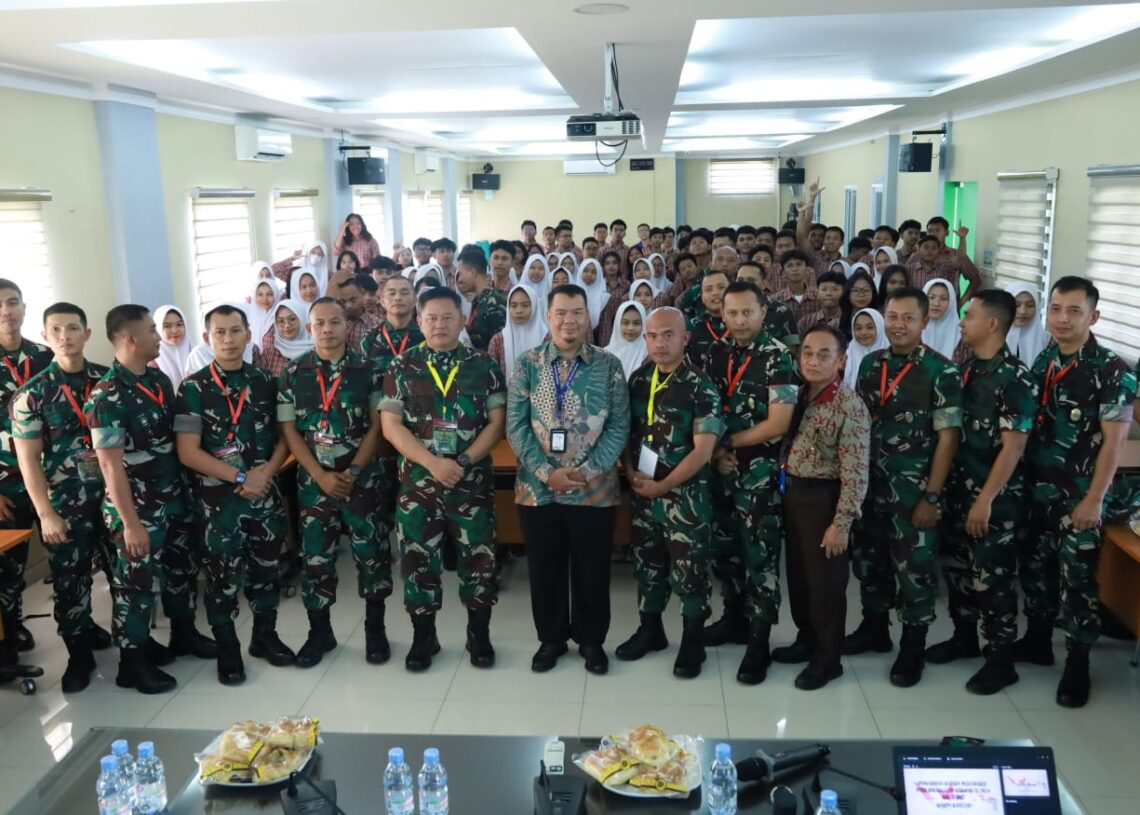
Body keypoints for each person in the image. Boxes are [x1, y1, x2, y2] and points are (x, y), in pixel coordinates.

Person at [1017, 277, 1136, 707]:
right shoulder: (1046, 358)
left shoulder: (1110, 369)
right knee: (1037, 568)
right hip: (1039, 488)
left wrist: (1095, 499)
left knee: (1078, 579)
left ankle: (1078, 663)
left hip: (1079, 494)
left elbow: (1116, 442)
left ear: (1094, 316)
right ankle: (1036, 641)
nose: (1062, 318)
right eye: (1056, 309)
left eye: (1074, 311)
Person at [85, 304, 214, 695]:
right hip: (138, 509)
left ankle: (184, 634)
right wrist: (130, 523)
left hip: (173, 499)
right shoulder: (106, 397)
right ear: (129, 339)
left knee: (181, 573)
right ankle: (132, 662)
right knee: (136, 586)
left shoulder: (156, 380)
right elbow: (110, 468)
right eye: (152, 331)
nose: (159, 337)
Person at [506, 284, 630, 675]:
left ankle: (592, 641)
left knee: (593, 567)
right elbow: (516, 426)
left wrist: (584, 473)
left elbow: (619, 425)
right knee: (545, 567)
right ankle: (552, 639)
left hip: (594, 490)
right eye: (561, 313)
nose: (568, 320)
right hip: (537, 489)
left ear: (588, 317)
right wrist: (548, 473)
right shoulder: (527, 364)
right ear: (549, 316)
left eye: (576, 312)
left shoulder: (608, 366)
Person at [381, 287, 506, 671]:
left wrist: (464, 460)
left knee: (479, 561)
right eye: (431, 318)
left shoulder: (483, 364)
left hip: (471, 484)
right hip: (420, 486)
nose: (439, 324)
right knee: (418, 562)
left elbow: (497, 423)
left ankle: (478, 635)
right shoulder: (401, 367)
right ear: (420, 322)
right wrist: (433, 463)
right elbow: (391, 426)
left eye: (447, 317)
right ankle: (424, 637)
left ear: (463, 319)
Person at [845, 287, 962, 688]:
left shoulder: (940, 371)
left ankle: (913, 646)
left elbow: (948, 439)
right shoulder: (870, 364)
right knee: (869, 564)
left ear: (924, 322)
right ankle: (874, 628)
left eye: (908, 318)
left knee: (914, 570)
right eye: (892, 316)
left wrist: (931, 495)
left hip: (913, 492)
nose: (898, 325)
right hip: (869, 486)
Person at [175, 304, 296, 685]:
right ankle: (227, 646)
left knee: (267, 571)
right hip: (218, 504)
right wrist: (241, 475)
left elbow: (284, 438)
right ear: (208, 338)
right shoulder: (191, 388)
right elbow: (188, 452)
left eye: (235, 331)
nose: (228, 339)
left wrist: (266, 474)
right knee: (222, 578)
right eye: (219, 333)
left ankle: (265, 637)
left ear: (248, 334)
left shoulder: (265, 380)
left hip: (264, 495)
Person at [277, 297, 393, 669]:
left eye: (334, 322)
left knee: (372, 556)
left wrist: (355, 471)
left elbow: (379, 426)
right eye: (319, 324)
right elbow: (290, 431)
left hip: (363, 481)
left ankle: (375, 630)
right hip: (315, 484)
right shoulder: (293, 373)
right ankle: (319, 632)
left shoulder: (370, 370)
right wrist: (320, 475)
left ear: (347, 325)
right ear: (310, 329)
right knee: (316, 559)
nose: (326, 329)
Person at [931, 290, 1036, 695]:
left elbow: (1014, 448)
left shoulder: (1014, 378)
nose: (962, 321)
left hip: (993, 501)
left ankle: (1000, 659)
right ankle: (964, 637)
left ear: (992, 323)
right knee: (959, 570)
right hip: (960, 491)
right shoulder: (968, 370)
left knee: (992, 580)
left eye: (969, 315)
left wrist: (986, 499)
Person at [10, 302, 113, 692]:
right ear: (46, 336)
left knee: (126, 575)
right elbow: (28, 461)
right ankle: (79, 656)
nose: (65, 336)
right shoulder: (32, 395)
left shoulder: (107, 381)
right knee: (72, 583)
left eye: (73, 328)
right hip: (66, 508)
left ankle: (135, 644)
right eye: (56, 330)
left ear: (87, 334)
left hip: (112, 501)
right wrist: (46, 514)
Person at [617, 307, 722, 677]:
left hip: (685, 499)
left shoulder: (700, 386)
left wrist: (664, 484)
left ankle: (693, 639)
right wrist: (631, 475)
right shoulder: (640, 379)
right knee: (648, 564)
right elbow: (627, 435)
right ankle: (651, 630)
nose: (659, 343)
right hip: (644, 492)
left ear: (684, 339)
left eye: (667, 335)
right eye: (652, 336)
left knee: (689, 570)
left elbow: (704, 450)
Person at [705, 282, 798, 685]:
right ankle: (733, 618)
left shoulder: (779, 358)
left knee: (759, 558)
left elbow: (778, 423)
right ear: (722, 314)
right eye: (732, 313)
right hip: (719, 470)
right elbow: (704, 408)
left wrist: (727, 443)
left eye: (748, 312)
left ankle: (759, 639)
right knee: (725, 551)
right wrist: (714, 452)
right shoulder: (714, 353)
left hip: (758, 475)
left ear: (763, 312)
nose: (739, 321)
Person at [774, 324, 870, 690]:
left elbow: (856, 472)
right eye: (808, 353)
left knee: (825, 584)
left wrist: (841, 523)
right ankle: (806, 639)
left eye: (823, 354)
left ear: (842, 360)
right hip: (793, 495)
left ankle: (828, 659)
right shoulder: (796, 395)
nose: (812, 361)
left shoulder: (849, 405)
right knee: (799, 578)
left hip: (824, 500)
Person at [0, 280, 53, 658]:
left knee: (70, 557)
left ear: (24, 307)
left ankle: (81, 623)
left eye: (13, 302)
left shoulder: (45, 357)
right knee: (8, 567)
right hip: (7, 483)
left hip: (53, 477)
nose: (7, 311)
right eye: (0, 305)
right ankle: (9, 628)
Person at [361, 276, 424, 368]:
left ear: (415, 300)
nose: (398, 298)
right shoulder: (370, 337)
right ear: (382, 301)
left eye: (404, 293)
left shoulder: (424, 335)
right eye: (392, 293)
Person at [456, 245, 507, 353]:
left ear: (472, 272)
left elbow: (500, 346)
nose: (459, 279)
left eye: (461, 273)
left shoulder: (495, 303)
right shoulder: (478, 301)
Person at [254, 300, 313, 377]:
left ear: (303, 319)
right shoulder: (269, 354)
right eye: (281, 321)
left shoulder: (316, 351)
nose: (287, 326)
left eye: (292, 319)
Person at [684, 269, 730, 369]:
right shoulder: (690, 327)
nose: (715, 293)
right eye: (708, 289)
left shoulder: (744, 324)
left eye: (721, 287)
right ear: (703, 298)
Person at [1004, 283, 1049, 367]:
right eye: (1017, 305)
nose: (1023, 311)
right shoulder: (992, 339)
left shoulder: (1048, 341)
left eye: (1030, 305)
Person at [771, 249, 818, 328]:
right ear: (783, 272)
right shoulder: (775, 300)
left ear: (807, 268)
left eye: (799, 264)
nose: (795, 269)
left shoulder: (818, 297)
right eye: (789, 265)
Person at [843, 308, 888, 389]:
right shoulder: (848, 354)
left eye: (870, 327)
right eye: (858, 328)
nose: (863, 332)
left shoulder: (890, 353)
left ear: (880, 327)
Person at [335, 276, 380, 353]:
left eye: (353, 299)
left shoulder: (376, 325)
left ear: (362, 296)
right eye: (342, 301)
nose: (348, 305)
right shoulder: (334, 324)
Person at [152, 305, 192, 391]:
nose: (174, 330)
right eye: (167, 326)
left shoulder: (195, 354)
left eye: (179, 324)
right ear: (158, 328)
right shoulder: (151, 361)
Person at [604, 301, 647, 381]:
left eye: (636, 323)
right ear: (617, 324)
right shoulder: (605, 354)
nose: (630, 328)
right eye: (625, 323)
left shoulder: (649, 353)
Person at [575, 257, 611, 344]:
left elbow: (605, 328)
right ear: (580, 272)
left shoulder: (604, 298)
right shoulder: (573, 295)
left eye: (594, 272)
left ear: (599, 275)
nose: (589, 274)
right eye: (586, 271)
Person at [797, 271, 845, 335]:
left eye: (835, 289)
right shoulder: (805, 322)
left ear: (844, 293)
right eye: (824, 289)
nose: (829, 293)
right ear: (817, 294)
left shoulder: (848, 322)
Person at [839, 272, 880, 340]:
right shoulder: (837, 323)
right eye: (856, 290)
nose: (861, 294)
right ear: (848, 293)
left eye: (866, 290)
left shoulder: (881, 320)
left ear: (873, 292)